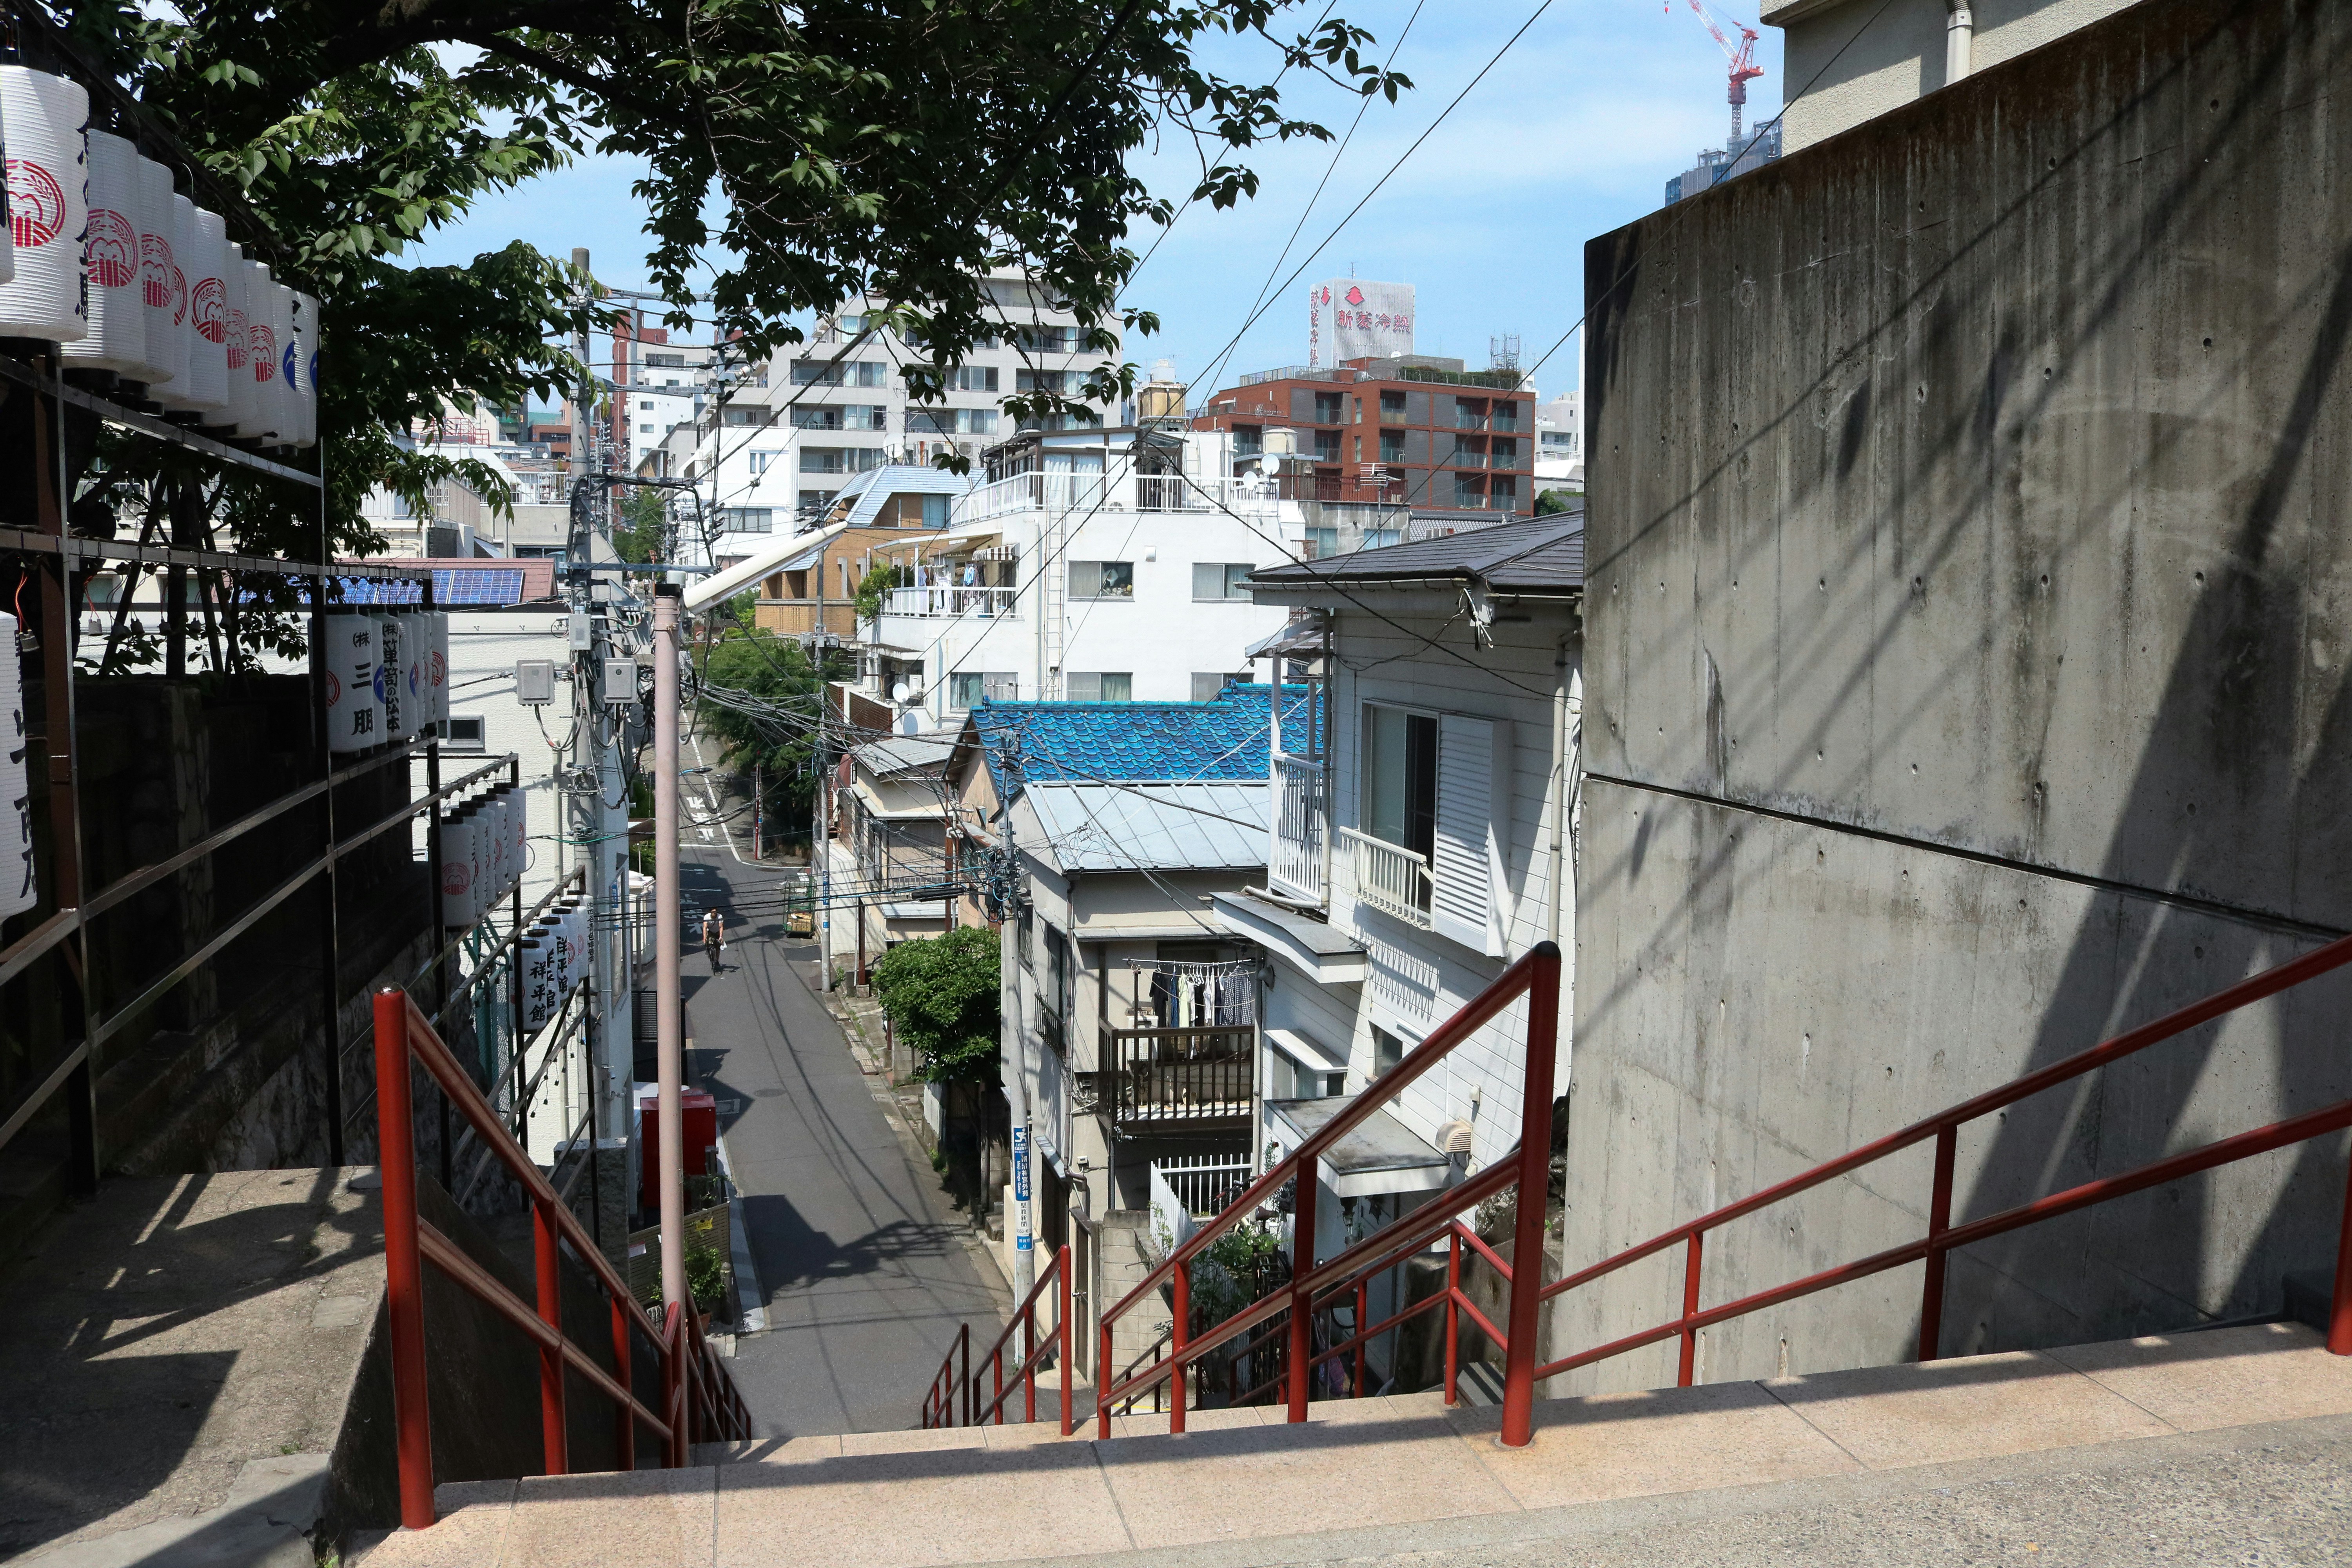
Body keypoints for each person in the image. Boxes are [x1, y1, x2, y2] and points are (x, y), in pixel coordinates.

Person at [701, 907, 725, 972]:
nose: (714, 913)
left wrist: (721, 937)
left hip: (717, 932)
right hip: (711, 933)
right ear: (710, 912)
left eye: (715, 912)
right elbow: (705, 927)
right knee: (708, 944)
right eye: (713, 912)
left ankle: (717, 961)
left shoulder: (720, 916)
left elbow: (721, 927)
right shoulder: (707, 917)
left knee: (718, 947)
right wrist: (705, 937)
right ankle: (709, 951)